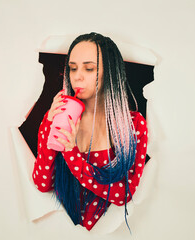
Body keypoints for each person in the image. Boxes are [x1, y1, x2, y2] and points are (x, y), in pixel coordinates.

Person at [32, 32, 148, 232]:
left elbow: (122, 194)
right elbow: (43, 183)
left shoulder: (134, 125)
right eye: (73, 68)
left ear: (110, 73)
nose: (77, 76)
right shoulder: (58, 117)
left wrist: (72, 154)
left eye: (89, 68)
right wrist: (48, 124)